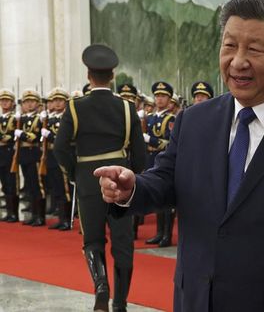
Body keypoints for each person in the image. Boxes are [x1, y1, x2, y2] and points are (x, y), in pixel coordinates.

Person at [96, 0, 264, 311]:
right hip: (197, 299)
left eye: (254, 49)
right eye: (229, 46)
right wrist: (132, 187)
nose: (238, 61)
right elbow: (167, 179)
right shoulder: (194, 120)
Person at [54, 44, 146, 312]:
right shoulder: (128, 108)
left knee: (92, 240)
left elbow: (60, 149)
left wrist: (76, 174)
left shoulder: (74, 108)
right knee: (123, 244)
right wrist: (135, 180)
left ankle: (101, 286)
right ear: (113, 75)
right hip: (120, 179)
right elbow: (140, 156)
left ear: (88, 76)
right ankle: (120, 303)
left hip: (87, 180)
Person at [143, 81, 176, 248]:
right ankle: (158, 232)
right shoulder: (151, 118)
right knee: (156, 197)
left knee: (165, 198)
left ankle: (166, 235)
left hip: (163, 159)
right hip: (151, 159)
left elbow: (169, 143)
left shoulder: (171, 119)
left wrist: (151, 140)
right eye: (157, 96)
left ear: (169, 99)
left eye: (163, 96)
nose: (159, 99)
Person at [42, 88, 73, 230]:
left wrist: (50, 136)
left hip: (63, 156)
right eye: (54, 100)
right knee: (56, 188)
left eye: (60, 100)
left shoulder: (68, 118)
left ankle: (67, 219)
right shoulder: (50, 118)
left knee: (65, 187)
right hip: (51, 156)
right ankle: (61, 218)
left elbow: (67, 138)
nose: (57, 103)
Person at [15, 89, 45, 226]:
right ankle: (33, 214)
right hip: (24, 154)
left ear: (38, 104)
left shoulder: (40, 118)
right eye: (26, 102)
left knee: (37, 185)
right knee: (29, 186)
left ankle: (40, 216)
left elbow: (35, 137)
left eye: (32, 101)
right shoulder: (21, 118)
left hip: (34, 154)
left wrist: (21, 134)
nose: (29, 105)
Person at [0, 89, 18, 222]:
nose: (4, 103)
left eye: (7, 100)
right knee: (4, 184)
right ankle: (8, 211)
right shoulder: (1, 118)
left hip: (9, 153)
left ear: (12, 103)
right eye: (2, 100)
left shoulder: (15, 118)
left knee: (11, 182)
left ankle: (13, 213)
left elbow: (11, 136)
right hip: (1, 153)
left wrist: (4, 137)